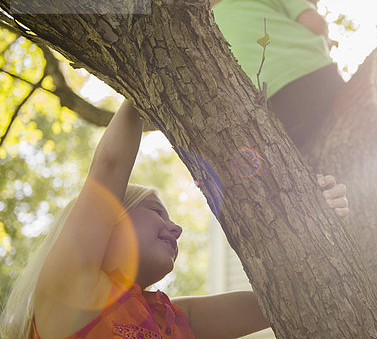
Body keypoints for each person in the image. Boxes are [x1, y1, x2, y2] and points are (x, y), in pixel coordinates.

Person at [0, 99, 349, 339]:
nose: (177, 228)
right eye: (155, 211)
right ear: (110, 218)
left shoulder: (171, 318)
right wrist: (144, 82)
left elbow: (287, 298)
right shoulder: (72, 291)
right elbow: (109, 167)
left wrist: (317, 220)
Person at [201, 0, 345, 149]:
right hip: (315, 75)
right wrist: (327, 40)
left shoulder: (208, 24)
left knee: (302, 154)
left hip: (269, 101)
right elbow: (316, 24)